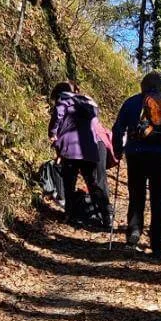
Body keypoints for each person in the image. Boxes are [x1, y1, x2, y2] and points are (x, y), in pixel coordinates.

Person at [112, 70, 161, 258]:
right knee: (159, 199)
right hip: (160, 157)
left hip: (136, 154)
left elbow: (118, 127)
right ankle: (158, 245)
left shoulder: (131, 102)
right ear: (159, 87)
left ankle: (134, 233)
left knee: (136, 194)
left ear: (142, 86)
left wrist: (118, 150)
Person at [48, 82, 115, 229]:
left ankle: (70, 214)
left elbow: (58, 116)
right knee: (94, 182)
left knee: (69, 182)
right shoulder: (87, 102)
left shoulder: (63, 100)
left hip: (70, 148)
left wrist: (52, 133)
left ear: (58, 94)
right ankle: (107, 214)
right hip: (89, 147)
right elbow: (95, 120)